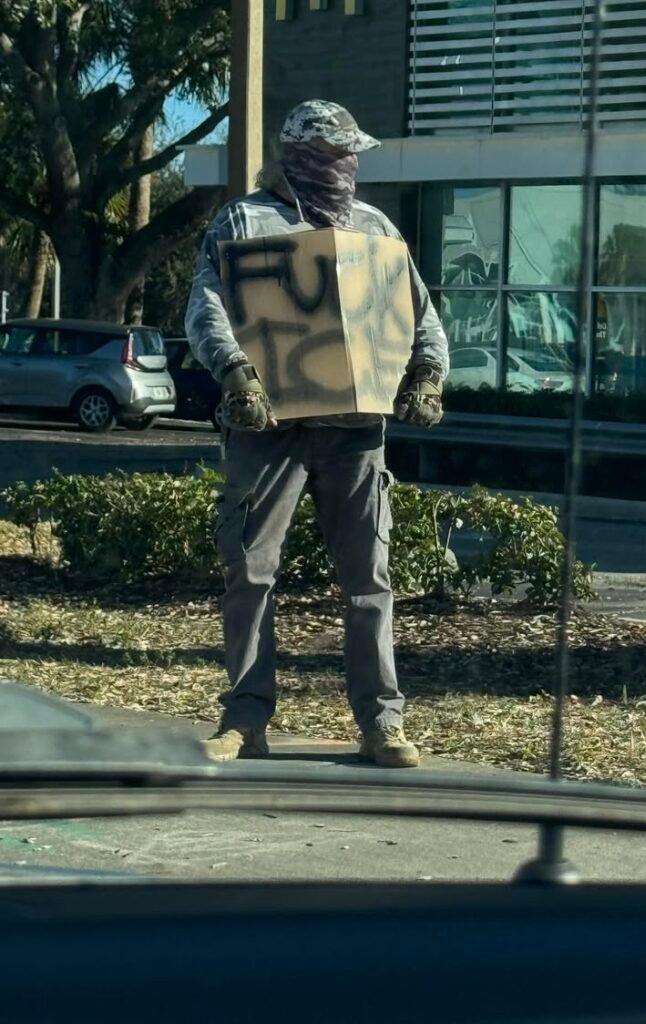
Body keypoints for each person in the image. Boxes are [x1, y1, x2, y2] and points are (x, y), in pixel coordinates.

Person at [185, 99, 449, 768]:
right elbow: (206, 305)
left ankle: (381, 725)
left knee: (369, 580)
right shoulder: (246, 221)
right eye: (333, 155)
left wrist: (428, 378)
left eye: (350, 155)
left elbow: (420, 313)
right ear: (300, 154)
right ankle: (245, 720)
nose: (344, 167)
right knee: (250, 570)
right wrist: (237, 374)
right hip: (266, 425)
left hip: (355, 431)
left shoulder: (376, 228)